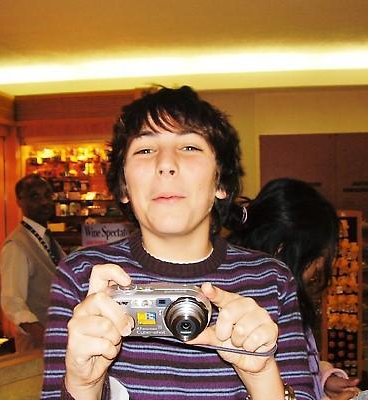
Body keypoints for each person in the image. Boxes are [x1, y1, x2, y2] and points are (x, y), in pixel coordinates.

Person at [41, 86, 316, 399]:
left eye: (189, 147)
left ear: (221, 183)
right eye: (145, 150)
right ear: (124, 187)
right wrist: (84, 386)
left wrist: (261, 375)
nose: (166, 164)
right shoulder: (81, 278)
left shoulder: (271, 280)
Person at [225, 178, 361, 400]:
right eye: (316, 258)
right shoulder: (251, 314)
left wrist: (322, 380)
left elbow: (295, 365)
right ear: (283, 250)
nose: (318, 268)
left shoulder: (283, 300)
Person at [0, 173, 65, 352]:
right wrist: (40, 333)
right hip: (37, 345)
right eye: (35, 197)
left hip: (57, 338)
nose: (44, 202)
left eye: (47, 195)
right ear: (19, 202)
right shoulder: (16, 245)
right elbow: (12, 300)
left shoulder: (46, 237)